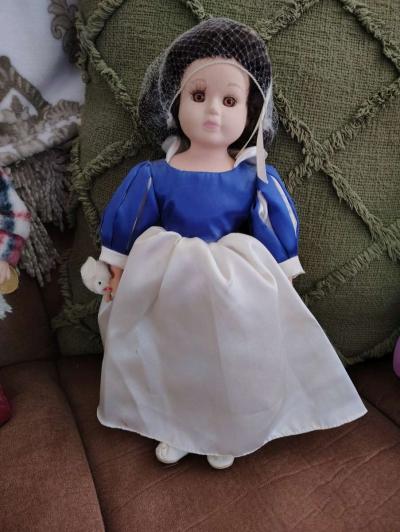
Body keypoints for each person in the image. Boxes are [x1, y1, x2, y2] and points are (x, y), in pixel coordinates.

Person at [94, 18, 367, 469]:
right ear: (173, 102)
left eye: (230, 100)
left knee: (234, 358)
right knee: (175, 356)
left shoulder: (253, 177)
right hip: (169, 281)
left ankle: (227, 428)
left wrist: (282, 276)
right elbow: (130, 221)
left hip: (233, 282)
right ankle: (177, 425)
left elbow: (270, 226)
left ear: (251, 113)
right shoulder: (154, 175)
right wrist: (118, 270)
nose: (213, 112)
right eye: (198, 96)